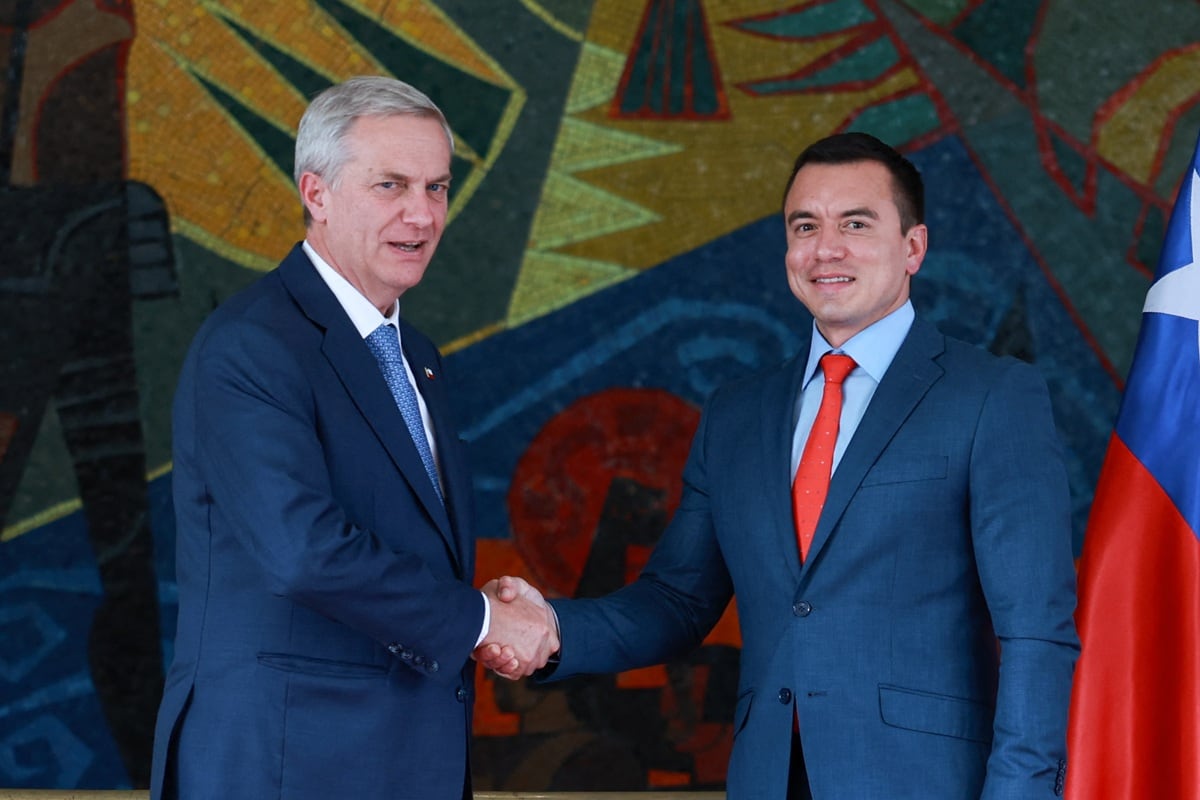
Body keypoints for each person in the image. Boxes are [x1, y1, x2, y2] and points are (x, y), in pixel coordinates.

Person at [480, 132, 1079, 798]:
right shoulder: (737, 414)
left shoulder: (992, 395)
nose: (826, 248)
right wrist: (553, 629)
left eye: (856, 223)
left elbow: (1036, 631)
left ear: (913, 247)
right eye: (805, 226)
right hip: (768, 778)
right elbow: (677, 600)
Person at [149, 76, 557, 800]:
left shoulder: (415, 355)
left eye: (437, 187)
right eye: (390, 185)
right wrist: (482, 619)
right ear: (317, 193)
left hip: (402, 762)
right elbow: (302, 551)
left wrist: (486, 614)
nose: (421, 214)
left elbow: (411, 545)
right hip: (283, 766)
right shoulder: (251, 345)